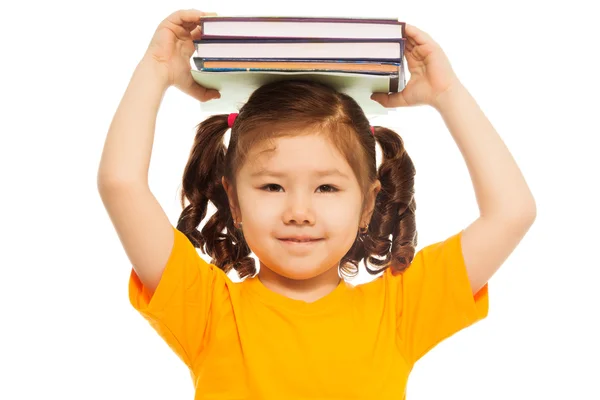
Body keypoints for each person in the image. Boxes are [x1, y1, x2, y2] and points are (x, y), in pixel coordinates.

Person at [97, 9, 537, 399]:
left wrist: (447, 94)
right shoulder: (207, 311)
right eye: (272, 187)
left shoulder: (400, 311)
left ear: (368, 205)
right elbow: (121, 184)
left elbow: (512, 212)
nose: (299, 211)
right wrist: (155, 70)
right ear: (233, 199)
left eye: (326, 188)